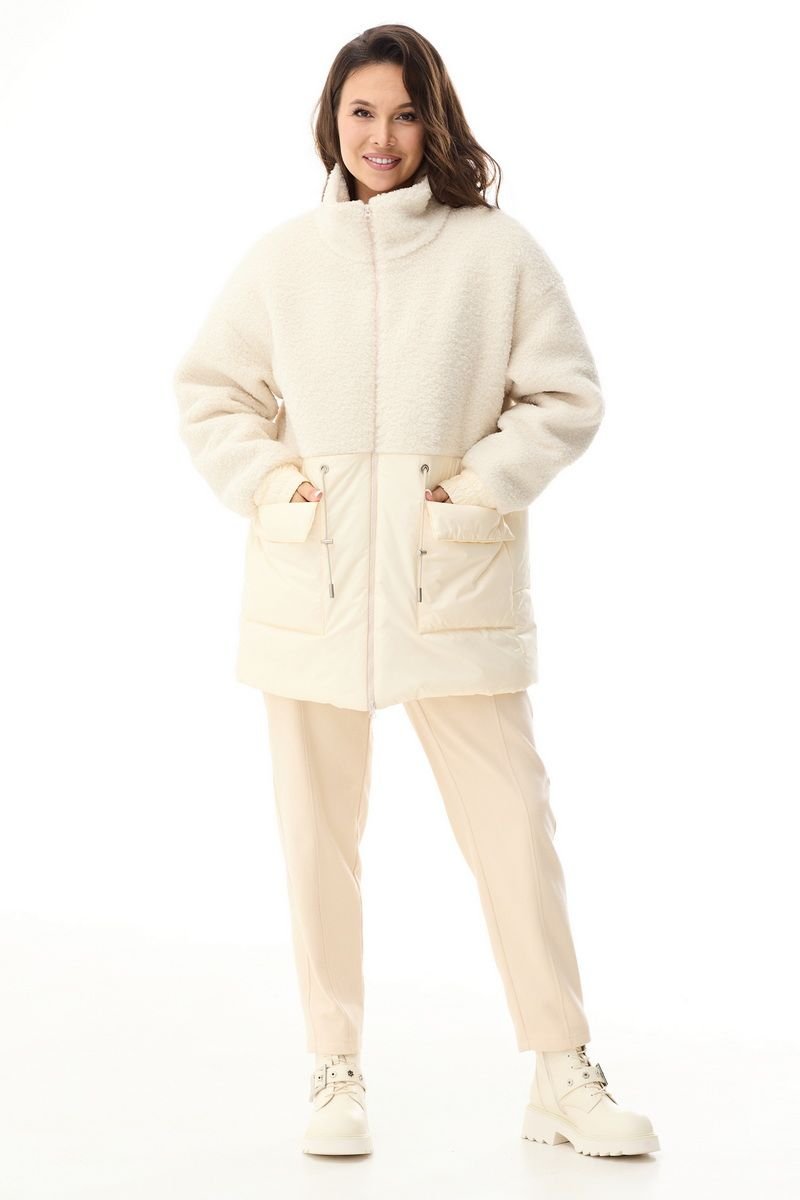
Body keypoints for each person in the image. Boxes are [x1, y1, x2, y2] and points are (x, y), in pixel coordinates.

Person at [173, 23, 660, 1160]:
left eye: (401, 113)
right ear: (331, 121)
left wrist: (479, 490)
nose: (381, 137)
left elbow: (565, 395)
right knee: (316, 837)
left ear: (431, 121)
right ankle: (332, 1068)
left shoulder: (496, 253)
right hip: (313, 582)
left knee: (513, 827)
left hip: (453, 583)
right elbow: (210, 393)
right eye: (361, 112)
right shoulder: (283, 261)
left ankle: (560, 1071)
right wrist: (277, 487)